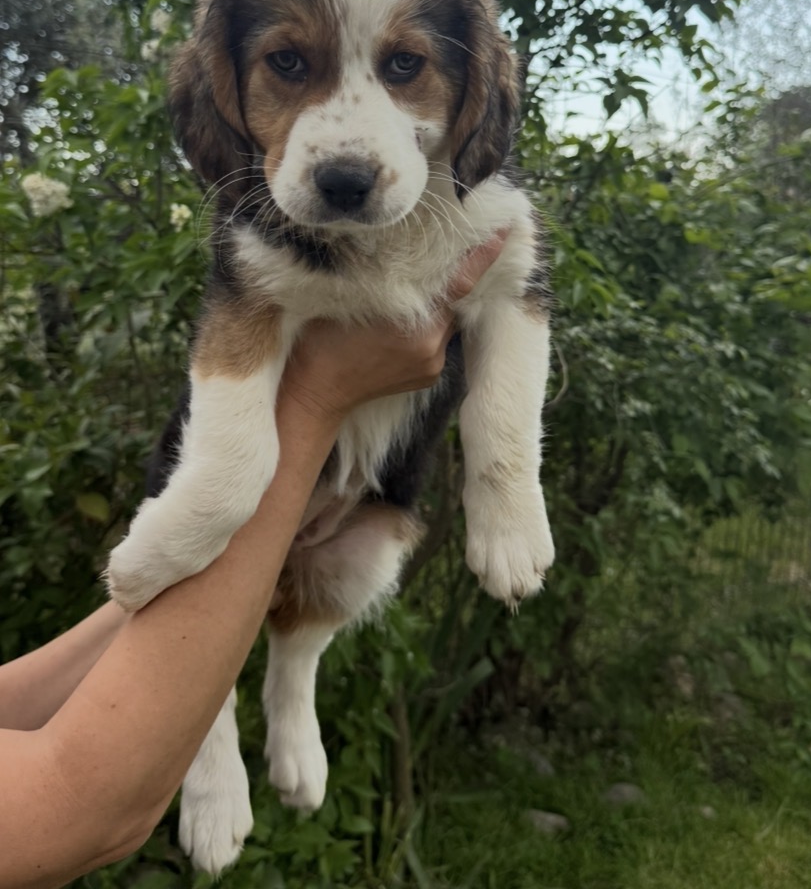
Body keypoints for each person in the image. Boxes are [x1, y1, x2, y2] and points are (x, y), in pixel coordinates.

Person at [0, 235, 506, 889]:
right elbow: (69, 807)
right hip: (273, 447)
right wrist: (317, 396)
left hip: (358, 490)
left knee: (360, 562)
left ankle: (294, 676)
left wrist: (187, 588)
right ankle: (214, 732)